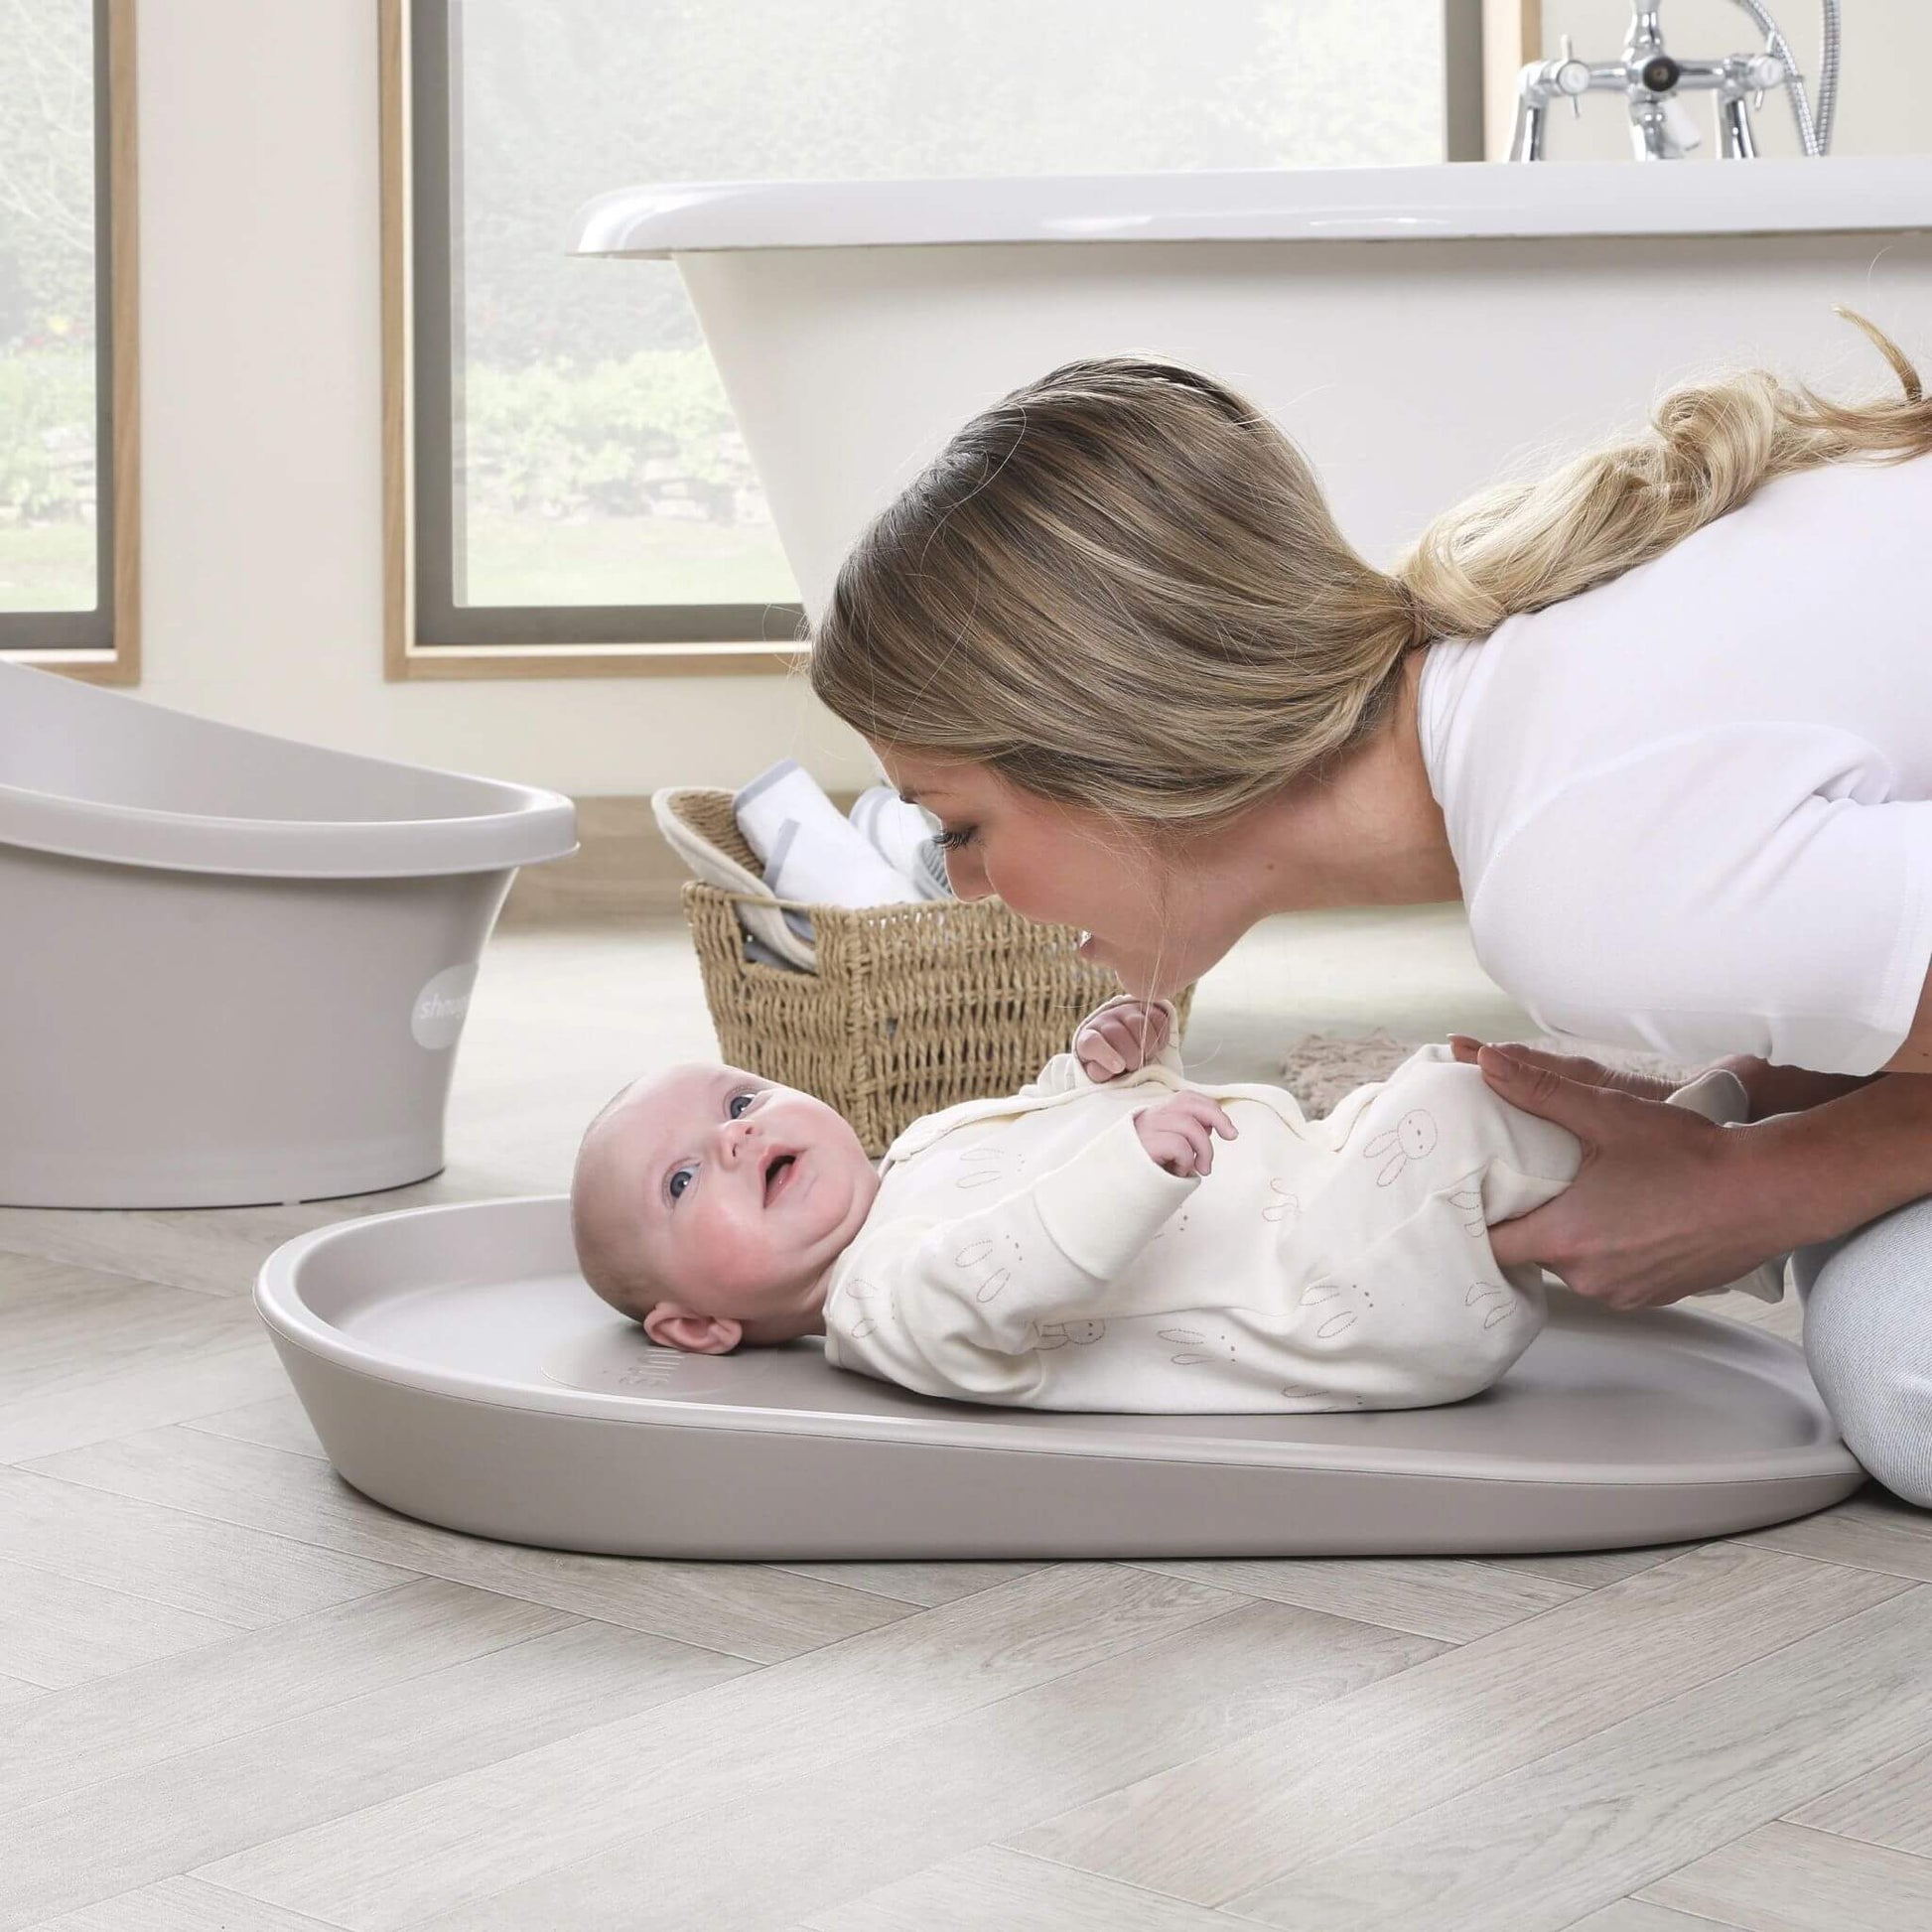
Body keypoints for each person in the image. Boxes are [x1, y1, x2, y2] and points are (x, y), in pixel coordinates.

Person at [803, 311, 1932, 1501]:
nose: (967, 887)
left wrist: (1759, 1186)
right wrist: (1760, 1097)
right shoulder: (1524, 687)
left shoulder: (1576, 880)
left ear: (1119, 749)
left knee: (1903, 1366)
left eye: (959, 828)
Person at [570, 996, 1768, 1413]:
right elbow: (1005, 1267)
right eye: (681, 1179)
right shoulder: (878, 1306)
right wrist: (1132, 1159)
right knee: (1457, 1108)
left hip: (1305, 1182)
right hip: (1318, 1295)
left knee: (1439, 1087)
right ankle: (1743, 1202)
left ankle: (1703, 1154)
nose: (732, 1139)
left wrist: (1105, 1069)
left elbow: (1047, 1143)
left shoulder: (922, 1145)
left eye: (737, 1097)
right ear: (693, 1323)